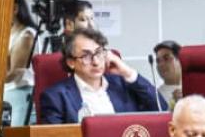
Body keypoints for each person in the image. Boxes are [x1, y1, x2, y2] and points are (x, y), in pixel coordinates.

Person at [38, 28, 167, 124]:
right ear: (71, 62)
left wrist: (128, 72)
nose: (95, 61)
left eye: (99, 53)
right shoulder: (55, 97)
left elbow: (162, 110)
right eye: (86, 56)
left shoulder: (123, 84)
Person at [5, 0, 37, 89]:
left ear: (14, 9)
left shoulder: (26, 36)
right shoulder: (10, 33)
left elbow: (12, 76)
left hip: (18, 94)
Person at [152, 40, 183, 108]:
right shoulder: (156, 97)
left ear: (180, 60)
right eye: (158, 61)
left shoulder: (194, 90)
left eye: (166, 58)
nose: (161, 64)